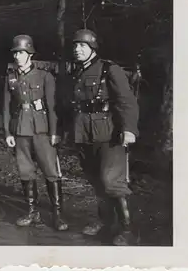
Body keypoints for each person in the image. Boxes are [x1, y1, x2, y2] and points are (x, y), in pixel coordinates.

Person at [67, 29, 139, 246]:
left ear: (92, 48)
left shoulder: (109, 69)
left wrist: (129, 129)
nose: (77, 49)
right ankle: (106, 222)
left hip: (108, 133)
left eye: (82, 46)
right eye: (75, 45)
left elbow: (126, 100)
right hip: (84, 133)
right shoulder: (77, 71)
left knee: (112, 181)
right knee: (96, 180)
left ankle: (129, 229)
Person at [2, 35, 68, 231]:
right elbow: (6, 107)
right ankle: (32, 211)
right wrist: (7, 132)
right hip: (21, 128)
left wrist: (55, 132)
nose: (18, 56)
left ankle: (57, 214)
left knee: (51, 172)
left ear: (30, 54)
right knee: (25, 171)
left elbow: (52, 106)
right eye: (15, 53)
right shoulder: (11, 78)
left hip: (42, 129)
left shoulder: (45, 76)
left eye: (21, 52)